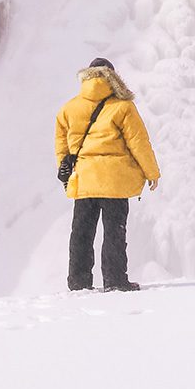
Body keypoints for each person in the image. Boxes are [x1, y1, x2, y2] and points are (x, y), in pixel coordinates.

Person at [55, 57, 160, 292]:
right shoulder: (123, 106)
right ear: (113, 78)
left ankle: (79, 282)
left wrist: (64, 168)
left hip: (84, 179)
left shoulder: (69, 108)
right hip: (115, 180)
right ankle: (115, 280)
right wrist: (151, 172)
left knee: (81, 232)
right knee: (114, 230)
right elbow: (138, 142)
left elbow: (61, 143)